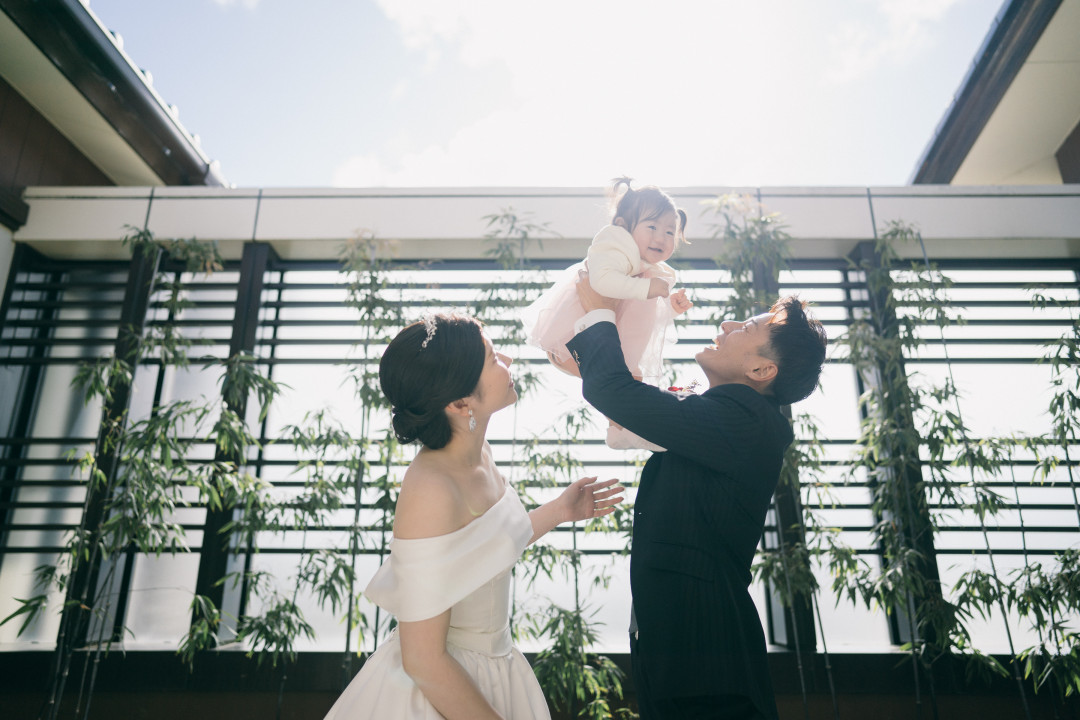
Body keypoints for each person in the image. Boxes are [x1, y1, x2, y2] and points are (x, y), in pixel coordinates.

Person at [324, 313, 624, 720]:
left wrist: (559, 511)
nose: (508, 360)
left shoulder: (478, 453)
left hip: (494, 666)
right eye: (490, 358)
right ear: (460, 402)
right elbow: (424, 660)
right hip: (438, 686)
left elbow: (479, 553)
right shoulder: (430, 487)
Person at [566, 278, 828, 720]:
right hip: (687, 657)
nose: (727, 324)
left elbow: (613, 391)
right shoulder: (726, 419)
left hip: (706, 664)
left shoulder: (744, 419)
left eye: (745, 328)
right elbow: (626, 418)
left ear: (762, 371)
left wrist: (598, 310)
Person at [521, 177, 693, 451]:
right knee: (625, 381)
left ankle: (620, 431)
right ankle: (624, 427)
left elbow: (643, 318)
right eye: (652, 227)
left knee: (631, 381)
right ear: (624, 225)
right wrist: (648, 287)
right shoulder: (615, 245)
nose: (661, 237)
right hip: (573, 340)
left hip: (605, 343)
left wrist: (670, 307)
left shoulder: (648, 268)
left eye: (670, 232)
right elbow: (602, 284)